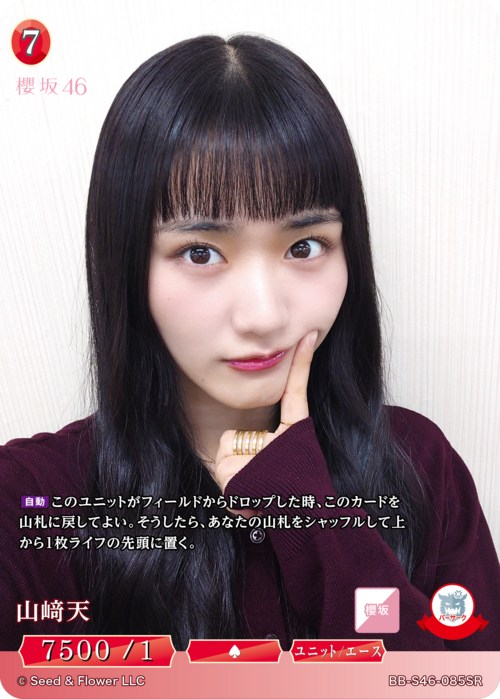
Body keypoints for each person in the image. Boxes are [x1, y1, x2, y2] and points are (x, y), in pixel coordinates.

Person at [1, 34, 498, 652]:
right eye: (201, 253)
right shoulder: (31, 500)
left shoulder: (420, 466)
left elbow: (458, 682)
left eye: (304, 246)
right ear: (126, 266)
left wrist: (311, 518)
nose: (264, 315)